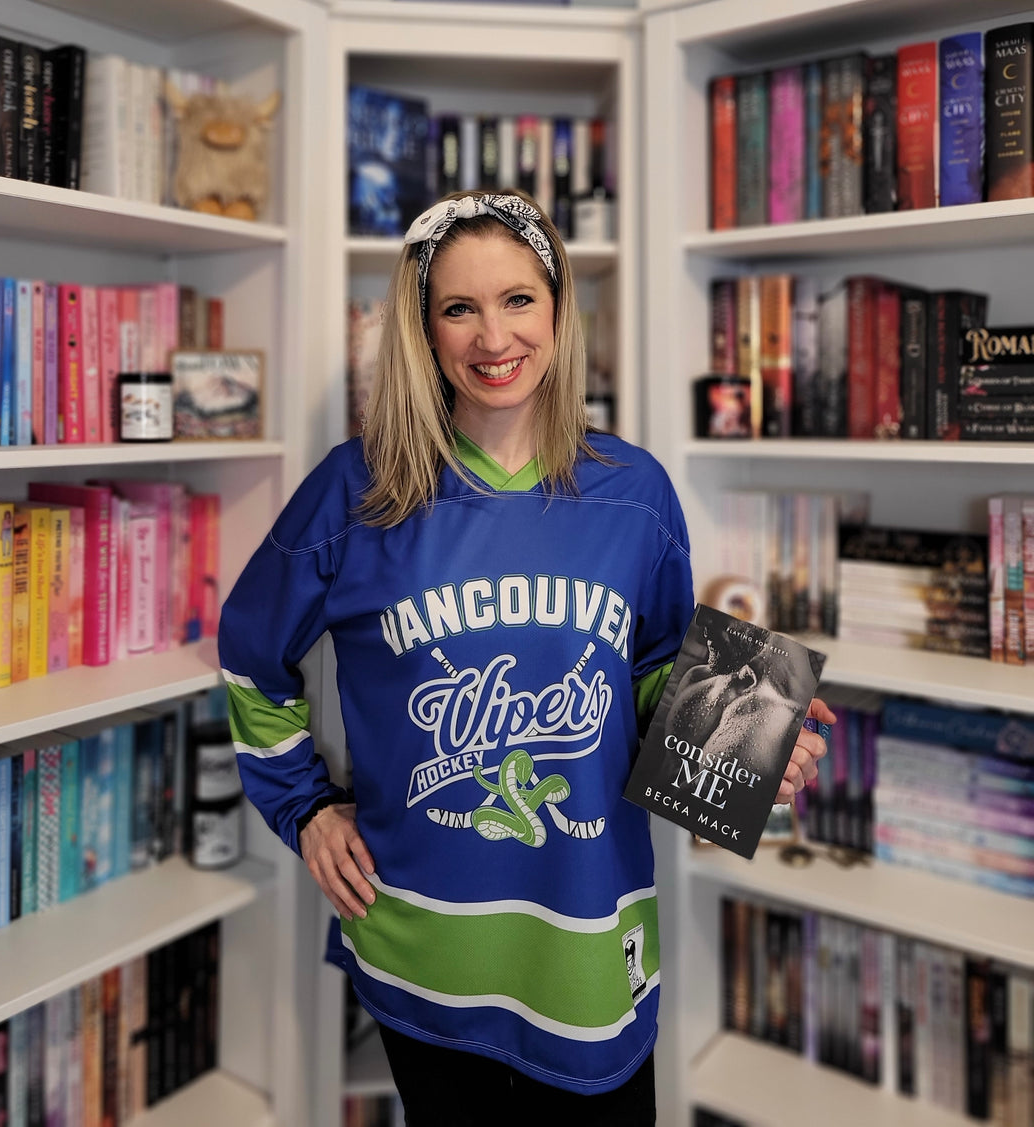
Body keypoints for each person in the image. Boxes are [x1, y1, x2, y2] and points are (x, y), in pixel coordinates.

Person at [218, 188, 833, 1125]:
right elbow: (251, 657)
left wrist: (751, 744)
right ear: (424, 331)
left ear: (557, 310)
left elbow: (658, 668)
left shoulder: (634, 491)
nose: (490, 336)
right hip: (424, 940)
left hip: (589, 942)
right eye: (458, 308)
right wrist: (303, 809)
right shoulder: (358, 489)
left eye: (517, 300)